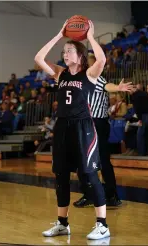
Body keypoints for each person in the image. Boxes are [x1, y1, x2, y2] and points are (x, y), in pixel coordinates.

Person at [35, 20, 110, 240]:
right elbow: (38, 58)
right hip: (62, 128)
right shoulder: (61, 74)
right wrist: (59, 35)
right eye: (64, 51)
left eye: (69, 51)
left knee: (88, 174)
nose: (65, 54)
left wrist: (90, 37)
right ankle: (62, 223)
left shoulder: (89, 74)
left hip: (83, 128)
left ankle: (102, 224)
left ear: (80, 55)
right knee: (61, 175)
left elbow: (103, 58)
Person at [73, 54, 133, 208]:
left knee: (103, 161)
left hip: (98, 124)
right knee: (82, 162)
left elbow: (108, 86)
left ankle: (112, 195)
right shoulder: (81, 82)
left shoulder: (98, 80)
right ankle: (88, 194)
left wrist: (118, 88)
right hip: (84, 124)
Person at [129, 86, 148, 156]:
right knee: (147, 133)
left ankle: (141, 153)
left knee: (140, 133)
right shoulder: (144, 93)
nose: (129, 91)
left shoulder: (135, 96)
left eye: (129, 90)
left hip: (144, 115)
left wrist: (140, 119)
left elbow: (137, 108)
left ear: (134, 89)